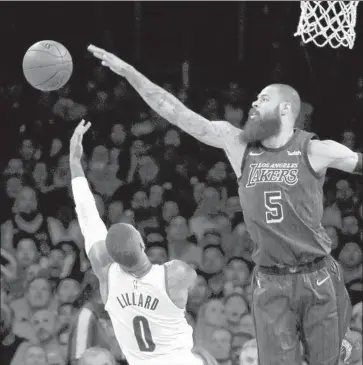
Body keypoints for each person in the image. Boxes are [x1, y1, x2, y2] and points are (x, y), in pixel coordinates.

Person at [88, 45, 362, 365]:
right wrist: (131, 74)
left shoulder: (316, 149)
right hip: (270, 277)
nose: (253, 104)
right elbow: (176, 112)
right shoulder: (237, 143)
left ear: (286, 110)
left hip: (316, 271)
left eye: (263, 99)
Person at [69, 121, 217, 365]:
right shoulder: (175, 273)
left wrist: (76, 164)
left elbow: (87, 217)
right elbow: (196, 285)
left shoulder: (105, 272)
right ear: (141, 243)